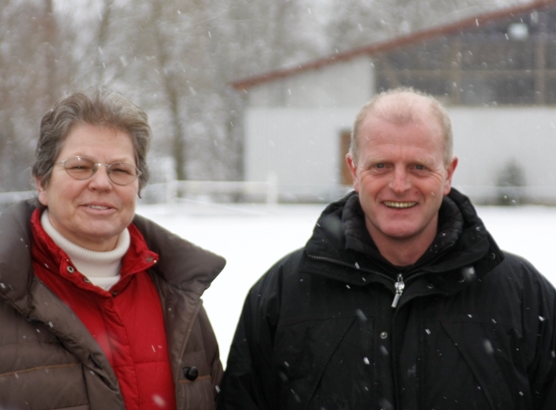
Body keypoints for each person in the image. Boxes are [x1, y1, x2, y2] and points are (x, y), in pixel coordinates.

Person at [218, 87, 556, 410]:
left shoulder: (522, 295)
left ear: (449, 173)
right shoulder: (283, 294)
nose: (399, 184)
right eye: (380, 165)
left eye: (419, 167)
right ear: (353, 169)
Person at [0, 87, 225, 409]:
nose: (102, 183)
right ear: (42, 183)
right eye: (80, 166)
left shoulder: (179, 293)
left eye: (120, 170)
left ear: (138, 185)